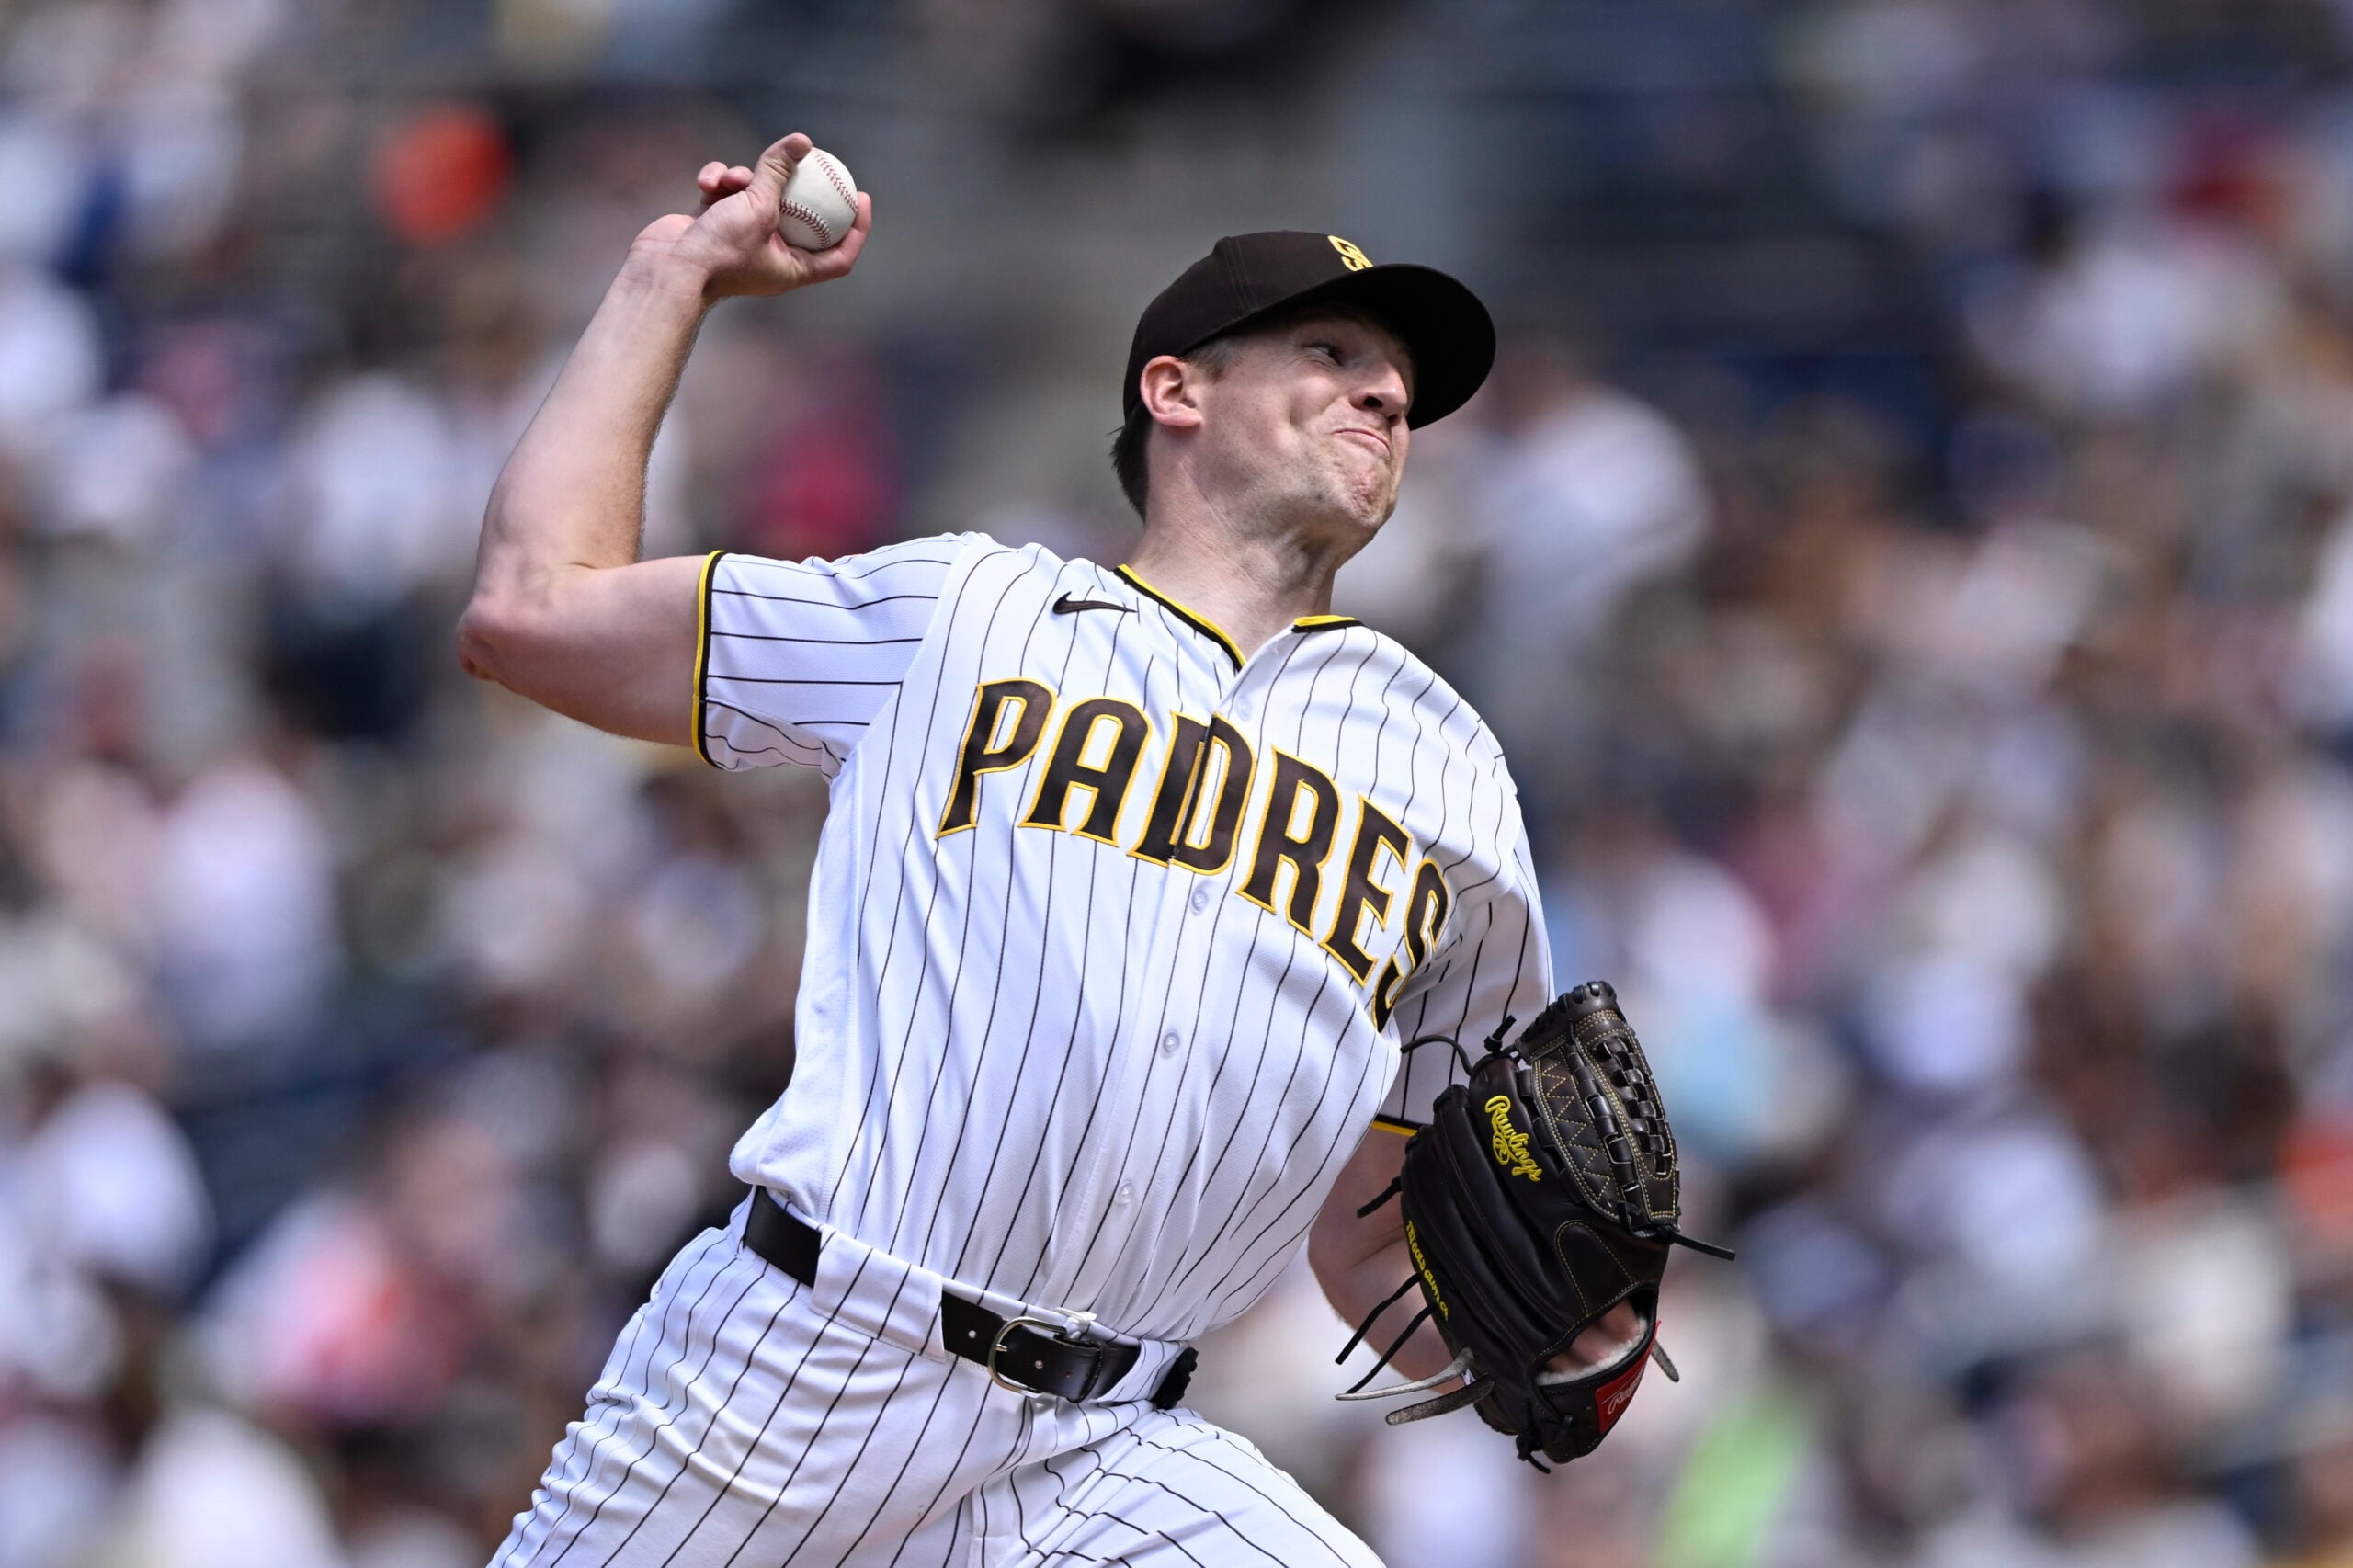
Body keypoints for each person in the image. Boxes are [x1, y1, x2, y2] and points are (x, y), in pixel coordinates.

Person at [459, 131, 1639, 1568]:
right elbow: (530, 608)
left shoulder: (1448, 767)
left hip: (1104, 1453)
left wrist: (1558, 1337)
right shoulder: (966, 611)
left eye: (1400, 386)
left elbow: (1373, 1236)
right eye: (1330, 352)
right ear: (1177, 389)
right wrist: (670, 277)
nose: (1387, 392)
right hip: (799, 1369)